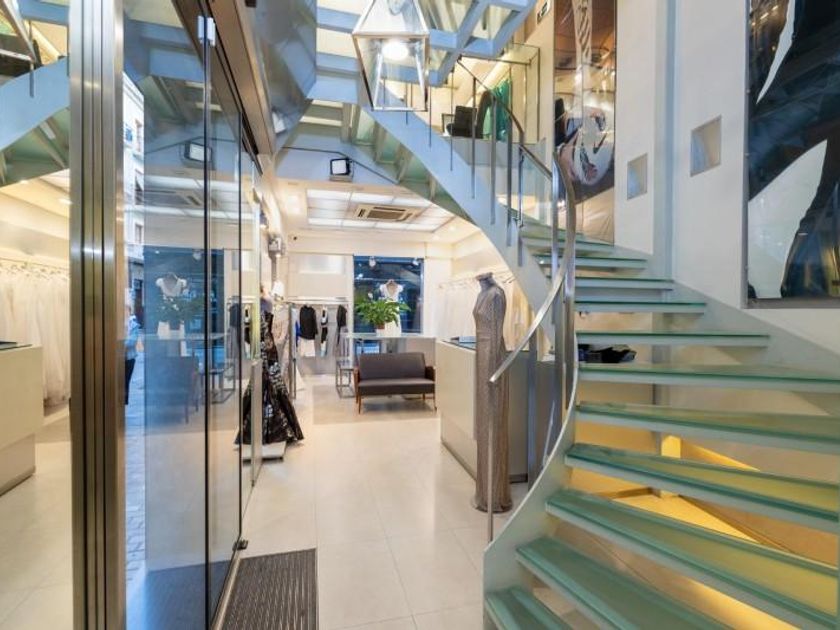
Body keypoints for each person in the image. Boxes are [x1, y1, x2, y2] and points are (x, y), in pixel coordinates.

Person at [124, 305, 142, 405]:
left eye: (126, 311)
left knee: (126, 381)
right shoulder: (116, 324)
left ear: (130, 312)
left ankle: (124, 402)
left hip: (129, 358)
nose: (124, 313)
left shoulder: (134, 325)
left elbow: (132, 342)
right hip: (116, 358)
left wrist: (119, 344)